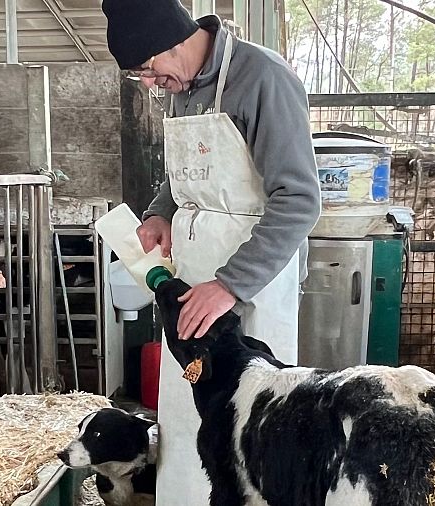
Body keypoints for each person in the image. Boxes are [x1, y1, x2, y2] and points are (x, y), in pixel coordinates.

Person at [102, 0, 321, 503]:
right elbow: (184, 174)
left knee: (250, 421)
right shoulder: (183, 84)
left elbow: (300, 199)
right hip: (194, 280)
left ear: (172, 40)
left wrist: (229, 285)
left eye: (148, 69)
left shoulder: (262, 76)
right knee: (185, 411)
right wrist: (160, 210)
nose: (151, 84)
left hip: (249, 284)